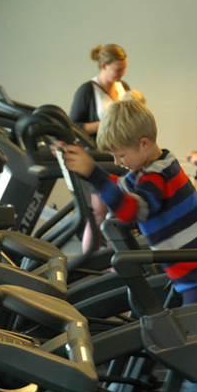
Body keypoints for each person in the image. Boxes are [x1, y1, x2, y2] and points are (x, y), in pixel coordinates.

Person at [59, 100, 197, 304]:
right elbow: (121, 187)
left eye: (121, 155)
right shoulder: (158, 165)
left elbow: (132, 210)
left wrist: (94, 174)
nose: (117, 162)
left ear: (144, 144)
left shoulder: (157, 177)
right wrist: (87, 167)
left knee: (188, 324)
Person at [69, 44, 129, 252]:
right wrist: (105, 123)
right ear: (104, 65)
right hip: (98, 158)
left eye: (124, 68)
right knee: (98, 215)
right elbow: (73, 125)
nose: (122, 73)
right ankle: (88, 262)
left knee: (118, 215)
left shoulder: (123, 87)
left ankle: (115, 262)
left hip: (120, 158)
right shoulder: (87, 90)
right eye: (118, 69)